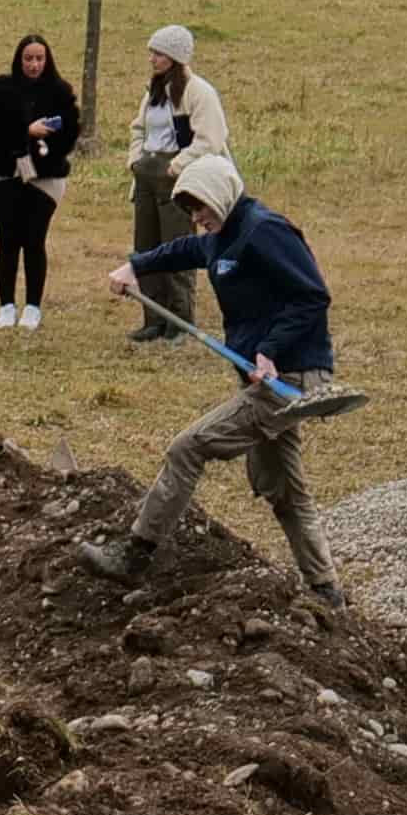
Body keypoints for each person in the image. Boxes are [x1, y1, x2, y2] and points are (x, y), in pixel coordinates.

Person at [87, 152, 345, 603]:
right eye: (189, 210)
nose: (197, 218)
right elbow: (187, 250)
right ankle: (326, 591)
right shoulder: (220, 234)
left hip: (291, 380)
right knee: (286, 490)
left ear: (221, 195)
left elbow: (311, 297)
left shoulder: (265, 231)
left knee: (187, 448)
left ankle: (135, 553)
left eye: (201, 207)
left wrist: (269, 350)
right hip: (262, 379)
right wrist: (137, 265)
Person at [123, 24, 233, 336]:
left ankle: (180, 321)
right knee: (146, 246)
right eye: (152, 52)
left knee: (176, 248)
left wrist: (177, 165)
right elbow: (138, 129)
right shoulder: (153, 92)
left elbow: (211, 138)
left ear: (174, 57)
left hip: (177, 179)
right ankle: (154, 319)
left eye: (158, 53)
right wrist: (136, 159)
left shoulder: (198, 92)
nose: (152, 59)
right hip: (146, 175)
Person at [0, 33, 79, 329]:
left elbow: (69, 134)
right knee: (8, 239)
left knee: (34, 239)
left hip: (45, 177)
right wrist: (25, 132)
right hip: (3, 173)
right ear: (19, 59)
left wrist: (47, 144)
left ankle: (32, 307)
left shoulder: (61, 92)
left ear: (47, 60)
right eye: (28, 58)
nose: (34, 64)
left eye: (39, 58)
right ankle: (6, 306)